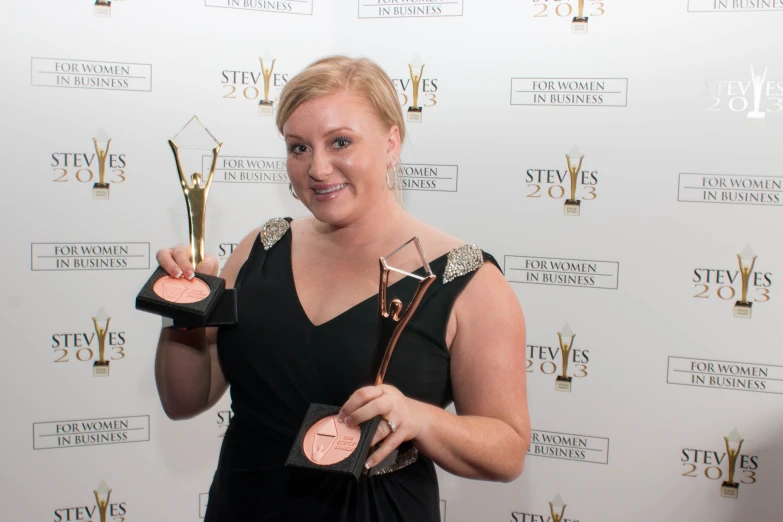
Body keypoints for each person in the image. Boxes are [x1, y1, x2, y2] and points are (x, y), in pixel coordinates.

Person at [154, 56, 530, 522]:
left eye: (341, 142)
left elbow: (508, 449)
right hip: (244, 504)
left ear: (392, 142)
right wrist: (184, 307)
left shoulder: (466, 279)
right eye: (298, 148)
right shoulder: (260, 249)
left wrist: (417, 418)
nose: (317, 167)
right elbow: (183, 401)